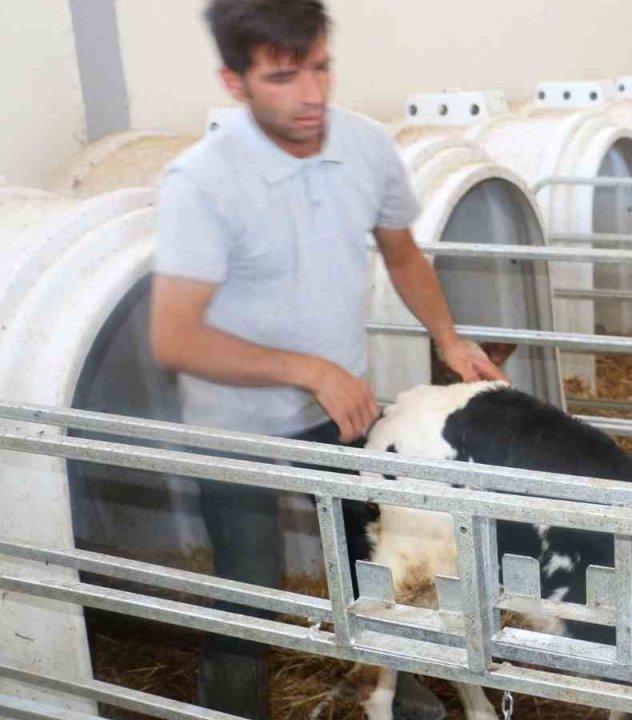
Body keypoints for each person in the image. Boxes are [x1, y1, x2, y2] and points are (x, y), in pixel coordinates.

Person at [150, 1, 505, 717]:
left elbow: (402, 253)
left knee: (371, 562)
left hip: (341, 406)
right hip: (233, 423)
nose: (311, 95)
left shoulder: (365, 147)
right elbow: (175, 339)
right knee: (249, 581)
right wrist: (307, 369)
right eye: (283, 77)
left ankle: (392, 696)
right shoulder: (202, 183)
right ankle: (231, 707)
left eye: (320, 68)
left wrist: (449, 338)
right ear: (234, 82)